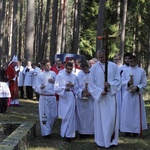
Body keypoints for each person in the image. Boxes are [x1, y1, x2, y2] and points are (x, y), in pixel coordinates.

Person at [88, 50, 121, 148]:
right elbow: (91, 83)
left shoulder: (113, 66)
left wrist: (110, 85)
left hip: (110, 97)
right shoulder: (94, 68)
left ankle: (112, 140)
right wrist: (99, 91)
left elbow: (118, 80)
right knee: (100, 119)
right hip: (100, 98)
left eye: (102, 57)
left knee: (111, 118)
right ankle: (101, 141)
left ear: (106, 55)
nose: (100, 59)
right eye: (99, 57)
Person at [120, 55, 148, 137]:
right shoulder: (125, 71)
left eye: (132, 61)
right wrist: (128, 83)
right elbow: (122, 81)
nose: (130, 63)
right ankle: (127, 130)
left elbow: (144, 83)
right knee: (126, 112)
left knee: (136, 112)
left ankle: (136, 130)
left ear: (136, 61)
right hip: (127, 94)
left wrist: (137, 87)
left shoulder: (141, 71)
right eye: (129, 62)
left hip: (136, 95)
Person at [54, 62, 77, 141]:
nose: (69, 70)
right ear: (65, 67)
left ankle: (69, 134)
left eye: (71, 69)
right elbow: (56, 88)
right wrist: (64, 88)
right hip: (64, 96)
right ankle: (63, 132)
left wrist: (73, 86)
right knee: (65, 115)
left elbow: (77, 87)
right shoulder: (60, 75)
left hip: (71, 96)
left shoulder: (74, 76)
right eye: (68, 69)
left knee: (71, 115)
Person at [35, 58, 57, 137]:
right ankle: (46, 133)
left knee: (54, 115)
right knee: (44, 115)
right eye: (47, 65)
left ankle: (49, 129)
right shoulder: (40, 74)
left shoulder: (53, 73)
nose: (49, 67)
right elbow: (36, 86)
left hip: (52, 96)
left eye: (49, 65)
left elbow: (59, 84)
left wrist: (54, 82)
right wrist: (41, 87)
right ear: (43, 66)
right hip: (44, 97)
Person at [76, 60, 94, 138]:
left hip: (91, 99)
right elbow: (76, 87)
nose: (84, 71)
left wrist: (91, 92)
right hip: (82, 99)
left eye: (85, 69)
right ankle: (82, 132)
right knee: (81, 116)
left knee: (90, 116)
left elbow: (96, 85)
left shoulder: (93, 74)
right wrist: (82, 91)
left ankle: (91, 131)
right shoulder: (79, 74)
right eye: (83, 69)